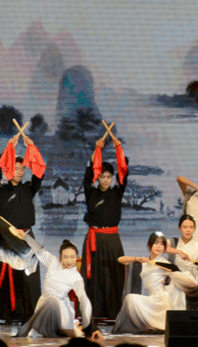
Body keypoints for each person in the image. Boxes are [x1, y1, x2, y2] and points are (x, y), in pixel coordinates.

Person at [0, 133, 45, 330]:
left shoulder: (29, 188)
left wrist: (32, 148)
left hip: (25, 237)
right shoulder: (1, 189)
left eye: (22, 168)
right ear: (9, 169)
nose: (19, 172)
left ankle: (29, 318)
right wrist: (9, 149)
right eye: (15, 168)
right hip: (4, 238)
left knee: (28, 279)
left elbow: (40, 171)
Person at [16, 237, 103, 340]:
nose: (69, 260)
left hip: (62, 309)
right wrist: (25, 236)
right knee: (50, 303)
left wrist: (91, 327)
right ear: (61, 257)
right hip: (44, 303)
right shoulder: (53, 261)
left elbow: (83, 299)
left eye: (72, 257)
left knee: (75, 333)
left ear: (77, 257)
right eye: (65, 257)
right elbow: (38, 250)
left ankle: (73, 324)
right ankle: (70, 324)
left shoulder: (76, 277)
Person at [113, 232, 198, 333]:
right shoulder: (144, 262)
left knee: (130, 298)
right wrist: (137, 259)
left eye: (162, 244)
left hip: (160, 302)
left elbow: (183, 279)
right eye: (156, 243)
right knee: (129, 298)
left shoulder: (164, 264)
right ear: (149, 245)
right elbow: (120, 259)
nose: (159, 247)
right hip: (151, 299)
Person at [81, 135, 128, 319]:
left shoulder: (117, 192)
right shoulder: (91, 193)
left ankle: (113, 314)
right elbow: (87, 177)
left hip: (112, 239)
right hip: (94, 238)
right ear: (98, 177)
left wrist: (118, 149)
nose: (106, 180)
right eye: (102, 176)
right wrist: (96, 151)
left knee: (114, 275)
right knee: (94, 277)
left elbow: (124, 173)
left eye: (109, 177)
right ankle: (92, 314)